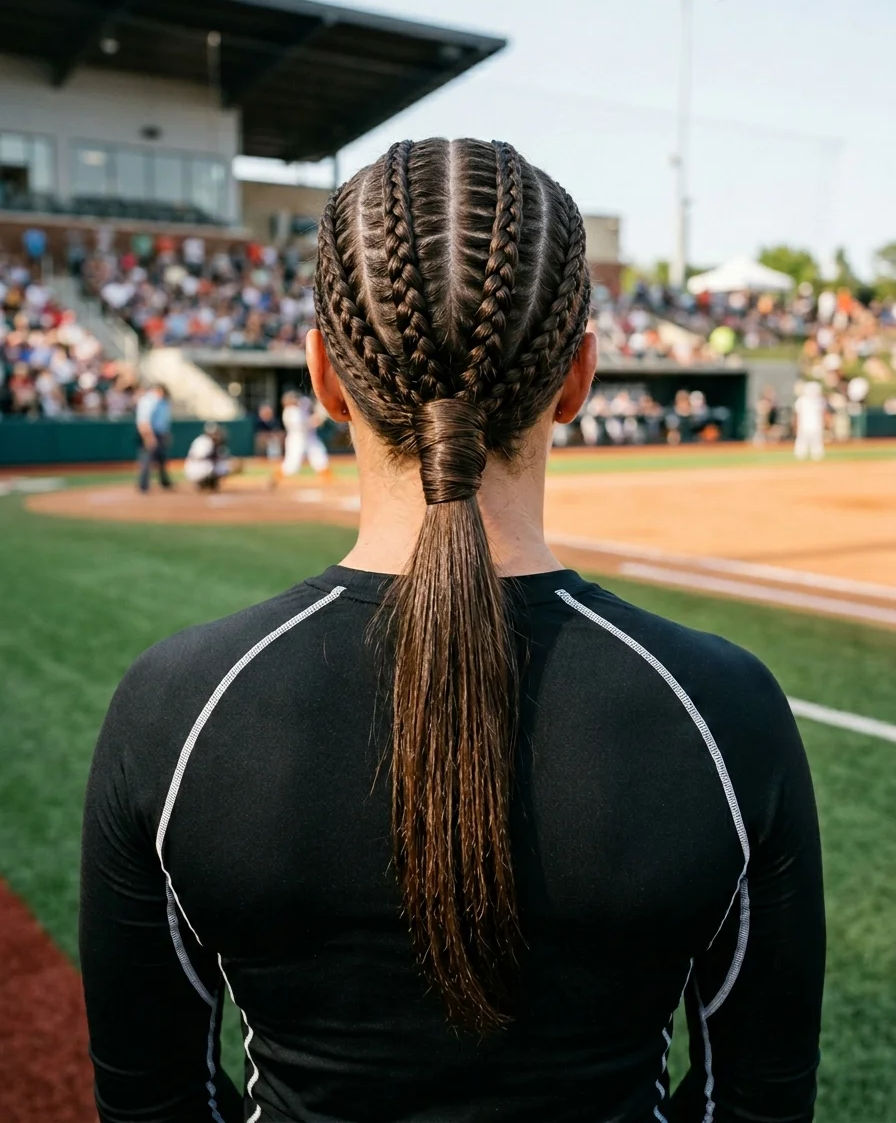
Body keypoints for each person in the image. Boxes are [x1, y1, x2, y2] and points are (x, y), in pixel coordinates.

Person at [81, 139, 824, 1123]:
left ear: (323, 376)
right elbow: (755, 1107)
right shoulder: (724, 710)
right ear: (577, 378)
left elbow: (155, 1104)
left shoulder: (174, 708)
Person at [279, 389, 330, 479]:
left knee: (320, 458)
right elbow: (307, 425)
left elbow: (310, 401)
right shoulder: (290, 412)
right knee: (291, 466)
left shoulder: (302, 403)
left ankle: (329, 481)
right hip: (297, 440)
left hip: (310, 438)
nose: (295, 400)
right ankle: (275, 479)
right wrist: (319, 417)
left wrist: (319, 405)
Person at [135, 383, 173, 492]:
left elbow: (164, 421)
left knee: (162, 459)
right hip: (150, 433)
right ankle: (143, 485)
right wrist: (149, 437)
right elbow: (143, 421)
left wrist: (166, 434)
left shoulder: (163, 402)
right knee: (147, 459)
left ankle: (165, 482)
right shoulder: (148, 401)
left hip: (161, 433)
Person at [184, 423, 238, 491]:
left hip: (199, 469)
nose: (217, 435)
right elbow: (199, 457)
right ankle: (203, 483)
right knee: (221, 465)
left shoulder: (215, 443)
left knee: (224, 465)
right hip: (197, 469)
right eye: (215, 433)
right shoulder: (204, 441)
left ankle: (209, 483)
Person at [794, 380, 826, 461]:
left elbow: (823, 413)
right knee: (802, 443)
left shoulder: (819, 400)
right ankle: (800, 457)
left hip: (815, 425)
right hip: (805, 425)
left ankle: (816, 457)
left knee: (816, 444)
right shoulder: (802, 400)